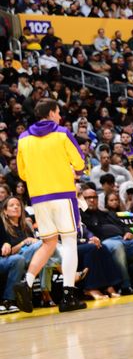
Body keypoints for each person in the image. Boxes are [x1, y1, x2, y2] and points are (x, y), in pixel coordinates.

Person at [14, 98, 86, 313]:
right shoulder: (62, 133)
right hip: (63, 194)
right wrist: (74, 172)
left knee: (48, 243)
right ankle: (68, 294)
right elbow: (80, 162)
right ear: (53, 113)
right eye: (58, 112)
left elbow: (22, 173)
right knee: (70, 241)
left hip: (39, 199)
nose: (59, 115)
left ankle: (26, 282)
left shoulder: (23, 138)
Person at [80, 187, 133, 294]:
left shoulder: (107, 213)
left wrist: (128, 232)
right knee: (117, 246)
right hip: (105, 242)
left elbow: (123, 225)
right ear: (82, 200)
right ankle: (125, 285)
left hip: (124, 240)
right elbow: (85, 232)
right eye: (88, 198)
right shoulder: (82, 216)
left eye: (94, 197)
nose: (92, 200)